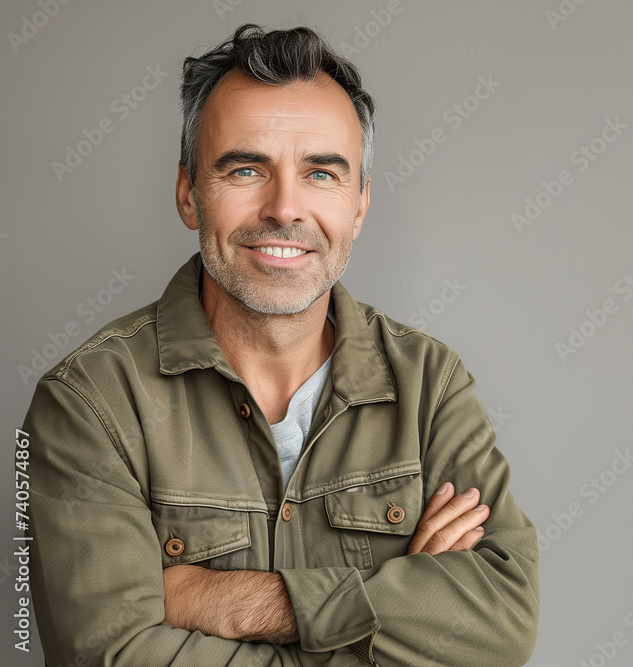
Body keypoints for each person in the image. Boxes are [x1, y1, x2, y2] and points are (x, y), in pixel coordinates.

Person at [23, 23, 539, 666]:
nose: (284, 208)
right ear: (189, 192)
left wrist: (233, 602)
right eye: (246, 169)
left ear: (360, 205)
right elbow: (112, 655)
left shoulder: (431, 385)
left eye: (322, 173)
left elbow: (504, 620)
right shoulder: (89, 404)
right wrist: (399, 612)